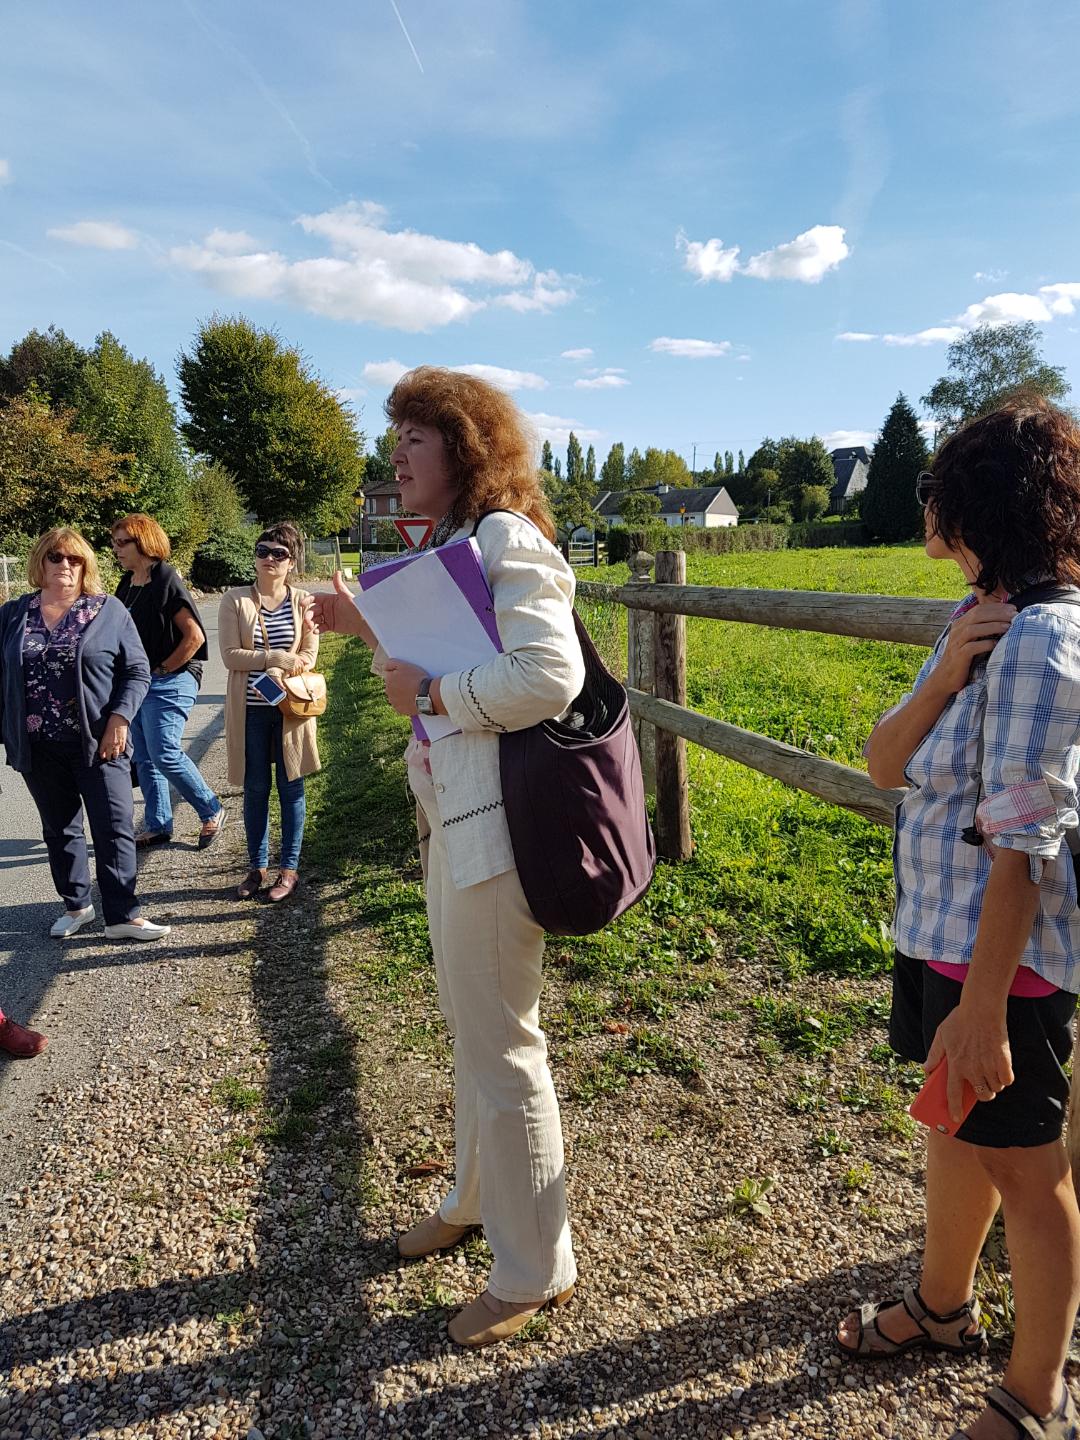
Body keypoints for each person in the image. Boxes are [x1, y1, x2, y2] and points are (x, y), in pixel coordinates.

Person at [309, 367, 585, 1348]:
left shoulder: (506, 538)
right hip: (455, 820)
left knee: (504, 1044)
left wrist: (428, 698)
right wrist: (366, 626)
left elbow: (549, 675)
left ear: (464, 449)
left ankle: (534, 1267)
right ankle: (472, 1199)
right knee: (474, 1032)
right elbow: (452, 650)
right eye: (395, 439)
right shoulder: (456, 544)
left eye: (414, 439)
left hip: (498, 831)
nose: (396, 456)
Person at [838, 396, 1080, 1440]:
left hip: (1002, 964)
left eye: (937, 486)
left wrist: (983, 1009)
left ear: (983, 503)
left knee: (1028, 1172)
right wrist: (943, 673)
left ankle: (1037, 1395)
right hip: (942, 935)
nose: (925, 503)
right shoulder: (978, 621)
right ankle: (943, 1310)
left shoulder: (1040, 641)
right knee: (954, 1128)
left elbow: (1024, 848)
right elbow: (884, 763)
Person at [0, 528, 171, 942]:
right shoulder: (14, 613)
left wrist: (121, 718)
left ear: (85, 565)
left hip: (100, 741)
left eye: (74, 559)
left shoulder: (108, 610)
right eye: (56, 557)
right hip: (37, 745)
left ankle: (123, 915)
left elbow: (137, 671)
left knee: (113, 827)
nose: (65, 565)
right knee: (59, 829)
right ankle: (77, 905)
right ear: (40, 562)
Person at [112, 513, 226, 849]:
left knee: (163, 751)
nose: (116, 549)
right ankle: (158, 824)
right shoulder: (127, 584)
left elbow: (194, 637)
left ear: (143, 543)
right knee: (144, 756)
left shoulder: (165, 579)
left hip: (173, 678)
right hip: (138, 683)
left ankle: (211, 808)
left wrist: (161, 670)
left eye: (122, 542)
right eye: (114, 543)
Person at [218, 522, 319, 903]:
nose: (269, 559)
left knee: (292, 788)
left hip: (291, 709)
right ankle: (257, 867)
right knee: (256, 789)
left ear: (292, 562)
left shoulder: (304, 601)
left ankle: (289, 869)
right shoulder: (235, 600)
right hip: (251, 711)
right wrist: (272, 658)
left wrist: (282, 667)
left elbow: (309, 653)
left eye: (279, 554)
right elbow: (230, 656)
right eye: (263, 551)